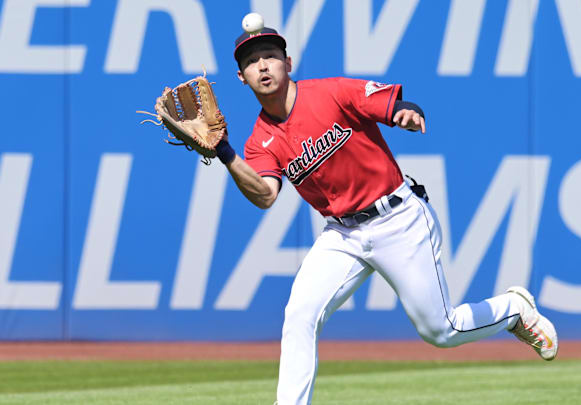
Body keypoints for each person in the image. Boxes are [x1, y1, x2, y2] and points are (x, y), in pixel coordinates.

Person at [214, 21, 558, 405]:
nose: (262, 66)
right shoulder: (259, 141)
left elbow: (391, 104)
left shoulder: (331, 92)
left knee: (440, 330)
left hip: (398, 219)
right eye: (251, 62)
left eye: (270, 56)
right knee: (300, 314)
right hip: (342, 235)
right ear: (241, 78)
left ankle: (513, 310)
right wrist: (226, 154)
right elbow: (265, 196)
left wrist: (404, 113)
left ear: (288, 62)